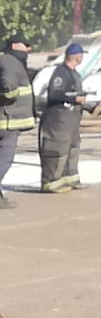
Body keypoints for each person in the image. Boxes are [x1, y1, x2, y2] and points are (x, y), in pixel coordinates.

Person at [38, 42, 87, 193]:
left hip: (71, 121)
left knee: (72, 149)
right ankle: (51, 182)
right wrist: (75, 99)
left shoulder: (75, 74)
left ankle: (70, 178)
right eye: (81, 55)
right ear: (77, 57)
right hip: (58, 120)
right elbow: (55, 94)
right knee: (57, 150)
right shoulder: (61, 73)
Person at [0, 36, 37, 209]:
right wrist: (9, 96)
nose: (28, 49)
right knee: (4, 159)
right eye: (25, 45)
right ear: (14, 45)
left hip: (7, 120)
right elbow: (7, 87)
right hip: (8, 121)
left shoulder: (7, 60)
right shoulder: (10, 62)